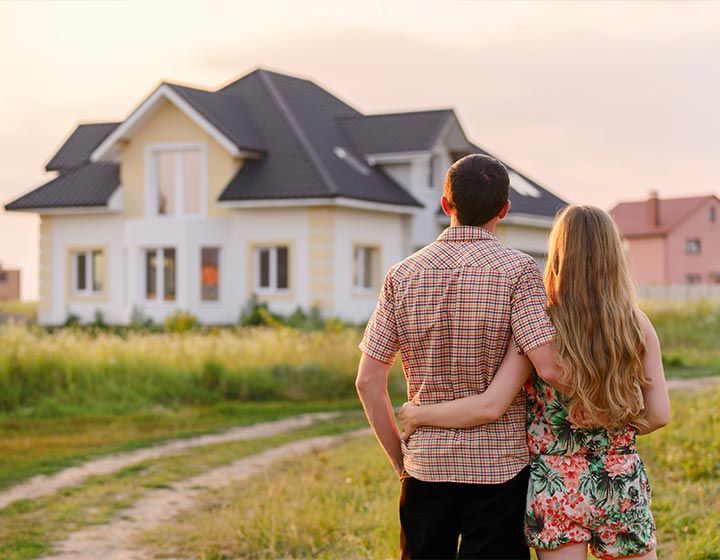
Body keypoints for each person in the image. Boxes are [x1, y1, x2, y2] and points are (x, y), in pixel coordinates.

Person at [399, 205, 671, 560]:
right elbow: (660, 414)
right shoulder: (636, 325)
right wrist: (614, 433)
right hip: (619, 479)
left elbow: (489, 405)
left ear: (558, 255)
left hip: (556, 484)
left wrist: (419, 415)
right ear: (614, 256)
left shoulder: (537, 327)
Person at [356, 154, 565, 560]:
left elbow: (367, 381)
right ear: (505, 209)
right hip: (499, 468)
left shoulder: (402, 274)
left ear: (445, 204)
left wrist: (402, 460)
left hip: (425, 466)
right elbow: (550, 367)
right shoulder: (519, 272)